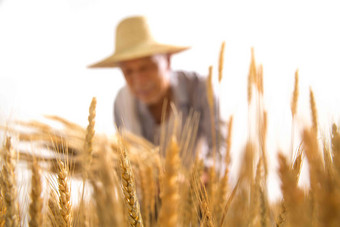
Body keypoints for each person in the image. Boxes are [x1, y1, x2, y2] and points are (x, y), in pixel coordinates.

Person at [89, 15, 223, 168]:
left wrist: (201, 179)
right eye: (128, 71)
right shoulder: (121, 102)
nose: (139, 80)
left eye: (146, 67)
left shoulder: (200, 89)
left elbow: (221, 151)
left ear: (167, 60)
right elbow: (127, 160)